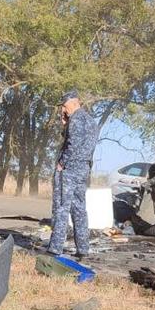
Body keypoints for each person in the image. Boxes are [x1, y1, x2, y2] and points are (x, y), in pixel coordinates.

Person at [47, 91, 99, 260]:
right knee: (79, 209)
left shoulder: (76, 119)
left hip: (70, 169)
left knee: (61, 207)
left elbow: (72, 142)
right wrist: (65, 124)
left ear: (73, 102)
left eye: (64, 105)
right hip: (84, 168)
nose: (63, 109)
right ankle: (83, 248)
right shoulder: (91, 121)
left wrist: (62, 162)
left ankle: (55, 248)